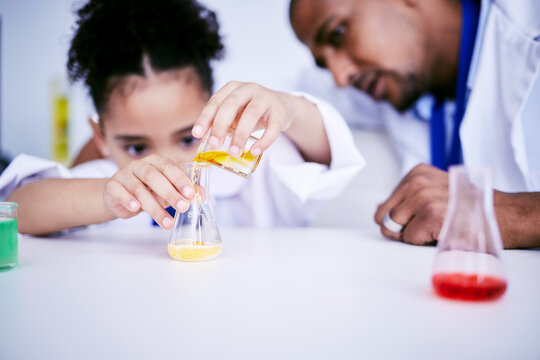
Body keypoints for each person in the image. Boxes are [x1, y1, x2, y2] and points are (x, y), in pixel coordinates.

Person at [0, 0, 364, 236]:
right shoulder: (107, 184)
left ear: (216, 112)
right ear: (101, 137)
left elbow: (327, 151)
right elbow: (17, 207)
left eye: (188, 138)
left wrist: (289, 109)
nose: (167, 164)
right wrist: (108, 199)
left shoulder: (256, 175)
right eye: (137, 147)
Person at [289, 0, 540, 248]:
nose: (340, 77)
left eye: (338, 33)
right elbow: (291, 97)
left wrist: (514, 214)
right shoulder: (388, 84)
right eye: (323, 63)